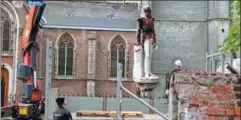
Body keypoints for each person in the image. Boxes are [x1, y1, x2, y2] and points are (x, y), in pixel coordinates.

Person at [136, 5, 157, 79]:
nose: (149, 13)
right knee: (147, 56)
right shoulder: (142, 20)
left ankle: (149, 72)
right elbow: (139, 31)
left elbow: (153, 31)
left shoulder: (152, 19)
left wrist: (155, 41)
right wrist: (138, 41)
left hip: (151, 39)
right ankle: (146, 73)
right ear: (145, 12)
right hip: (146, 39)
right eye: (147, 11)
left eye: (149, 11)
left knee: (150, 56)